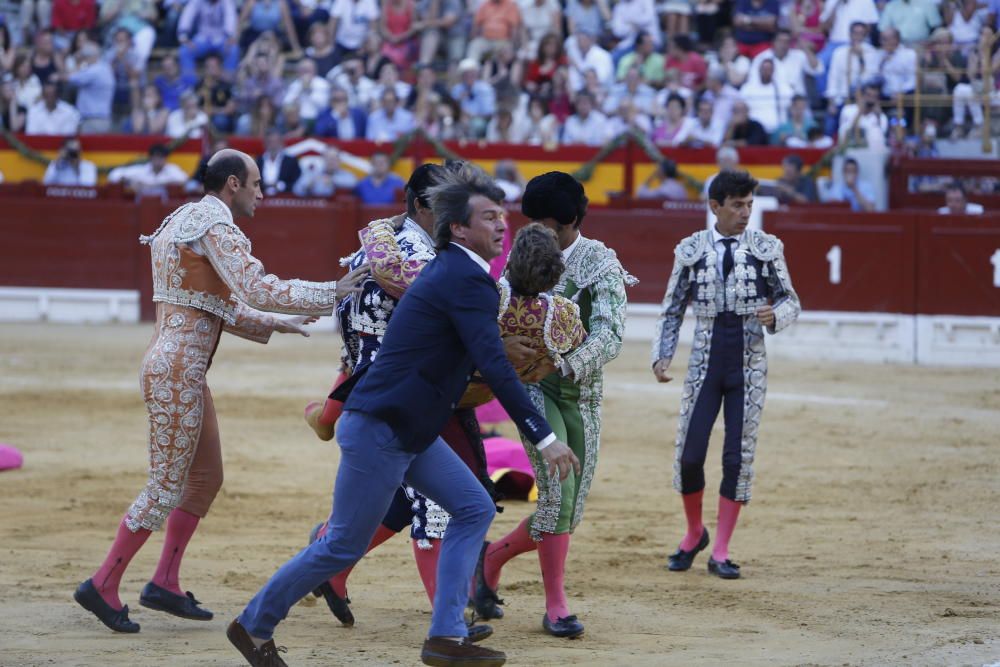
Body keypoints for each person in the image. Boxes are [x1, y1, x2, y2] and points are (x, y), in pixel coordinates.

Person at [229, 164, 579, 667]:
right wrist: (544, 438)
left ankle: (445, 635)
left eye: (502, 215)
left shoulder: (457, 271)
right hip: (382, 427)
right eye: (488, 217)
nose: (502, 225)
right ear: (459, 227)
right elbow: (496, 366)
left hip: (405, 427)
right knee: (341, 545)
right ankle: (253, 625)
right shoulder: (465, 278)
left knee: (475, 507)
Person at [73, 149, 366, 635]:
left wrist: (278, 324)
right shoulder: (216, 224)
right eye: (255, 184)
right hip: (177, 372)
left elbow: (213, 305)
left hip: (180, 369)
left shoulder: (183, 219)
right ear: (232, 184)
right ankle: (102, 583)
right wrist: (331, 290)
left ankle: (164, 581)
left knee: (205, 478)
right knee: (166, 485)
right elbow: (253, 286)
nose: (261, 193)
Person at [472, 171, 637, 639]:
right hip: (532, 390)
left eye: (546, 224)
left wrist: (561, 365)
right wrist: (509, 348)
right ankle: (556, 604)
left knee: (570, 509)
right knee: (555, 501)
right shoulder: (523, 254)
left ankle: (492, 558)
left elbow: (610, 334)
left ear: (570, 222)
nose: (536, 232)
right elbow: (498, 314)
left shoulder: (600, 262)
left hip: (580, 392)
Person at [652, 170, 800, 580]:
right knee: (690, 456)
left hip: (749, 367)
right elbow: (672, 307)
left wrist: (777, 315)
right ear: (714, 206)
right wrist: (662, 355)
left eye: (750, 204)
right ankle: (694, 532)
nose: (745, 212)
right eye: (737, 205)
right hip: (704, 364)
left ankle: (720, 549)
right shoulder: (691, 250)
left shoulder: (766, 248)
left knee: (737, 458)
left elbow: (791, 300)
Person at [108, 143, 189, 196]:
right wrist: (128, 182)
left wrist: (157, 183)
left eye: (161, 157)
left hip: (164, 212)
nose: (158, 160)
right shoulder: (141, 171)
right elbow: (114, 175)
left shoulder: (171, 169)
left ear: (165, 158)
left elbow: (184, 179)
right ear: (151, 158)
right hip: (141, 209)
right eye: (156, 156)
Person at [293, 146, 358, 197]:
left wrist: (332, 180)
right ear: (323, 159)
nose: (331, 162)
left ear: (339, 160)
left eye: (334, 158)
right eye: (329, 158)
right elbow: (296, 190)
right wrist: (307, 187)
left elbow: (353, 183)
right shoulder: (313, 173)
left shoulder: (346, 175)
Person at [256, 128, 302, 196]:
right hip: (262, 199)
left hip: (284, 199)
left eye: (275, 142)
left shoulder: (291, 161)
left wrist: (280, 186)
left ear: (281, 143)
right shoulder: (259, 161)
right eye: (270, 142)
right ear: (265, 144)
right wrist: (265, 185)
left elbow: (297, 183)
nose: (273, 145)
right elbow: (254, 181)